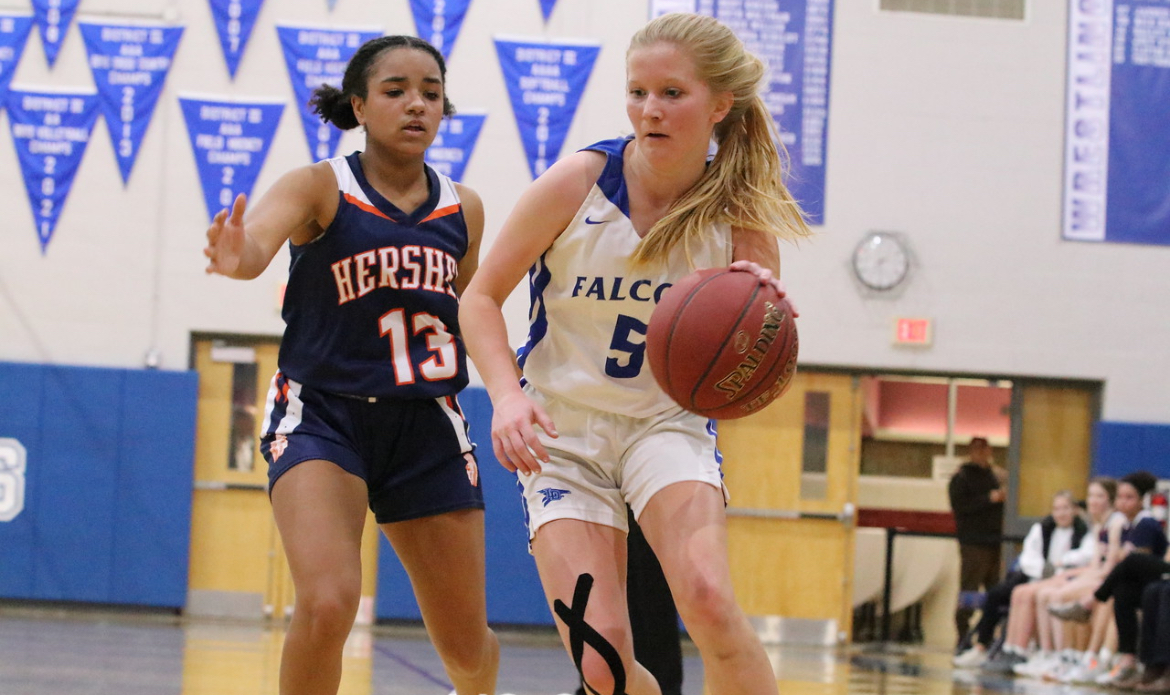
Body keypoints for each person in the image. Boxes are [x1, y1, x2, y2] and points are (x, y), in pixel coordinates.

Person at [460, 12, 810, 695]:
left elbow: (760, 338)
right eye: (637, 91)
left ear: (719, 104)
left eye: (671, 93)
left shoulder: (739, 210)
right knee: (604, 661)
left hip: (665, 425)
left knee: (708, 598)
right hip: (562, 434)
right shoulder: (579, 182)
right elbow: (479, 297)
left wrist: (767, 318)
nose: (650, 109)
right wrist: (506, 394)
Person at [202, 35, 498, 695]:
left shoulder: (465, 207)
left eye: (430, 91)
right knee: (330, 598)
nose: (416, 104)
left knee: (469, 646)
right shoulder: (320, 185)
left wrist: (517, 389)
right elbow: (254, 248)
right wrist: (235, 253)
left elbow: (472, 312)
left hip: (426, 424)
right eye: (396, 90)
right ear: (360, 107)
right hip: (323, 415)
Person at [1047, 471, 1168, 687]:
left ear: (1143, 500)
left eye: (1128, 497)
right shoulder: (1128, 525)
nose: (1122, 502)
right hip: (1154, 578)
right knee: (1123, 591)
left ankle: (1090, 612)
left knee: (1132, 564)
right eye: (1120, 497)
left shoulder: (1146, 523)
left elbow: (1134, 564)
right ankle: (1130, 660)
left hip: (1158, 573)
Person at [952, 490, 1089, 668]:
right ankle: (981, 646)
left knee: (1029, 595)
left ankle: (1032, 649)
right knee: (996, 594)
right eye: (1057, 509)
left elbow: (1085, 556)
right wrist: (1045, 570)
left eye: (1065, 508)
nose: (1061, 513)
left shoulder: (1084, 531)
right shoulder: (1042, 528)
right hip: (1037, 576)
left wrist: (1060, 568)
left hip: (1064, 581)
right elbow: (1028, 558)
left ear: (1075, 510)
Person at [575, 510, 684, 695]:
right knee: (598, 588)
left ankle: (662, 688)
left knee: (650, 590)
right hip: (593, 495)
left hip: (644, 502)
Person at [948, 437, 1007, 645]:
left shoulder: (995, 475)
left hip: (996, 541)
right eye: (977, 450)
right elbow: (960, 507)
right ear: (970, 452)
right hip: (973, 541)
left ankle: (987, 633)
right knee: (969, 588)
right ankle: (963, 633)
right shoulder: (962, 477)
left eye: (985, 449)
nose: (982, 453)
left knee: (995, 590)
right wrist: (988, 499)